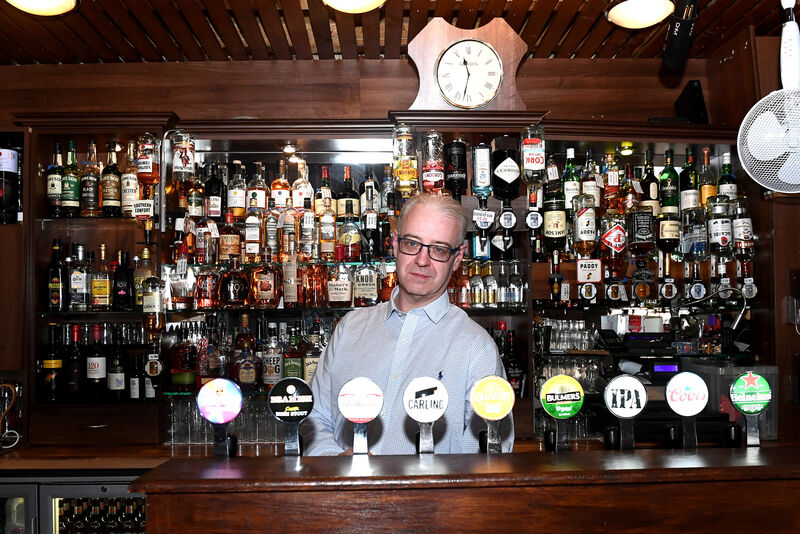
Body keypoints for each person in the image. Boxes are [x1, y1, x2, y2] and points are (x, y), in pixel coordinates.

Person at [302, 193, 514, 455]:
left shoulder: (476, 347)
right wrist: (334, 460)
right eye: (412, 244)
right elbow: (312, 419)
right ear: (394, 244)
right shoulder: (350, 328)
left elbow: (490, 456)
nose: (422, 261)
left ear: (457, 258)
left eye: (438, 249)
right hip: (347, 495)